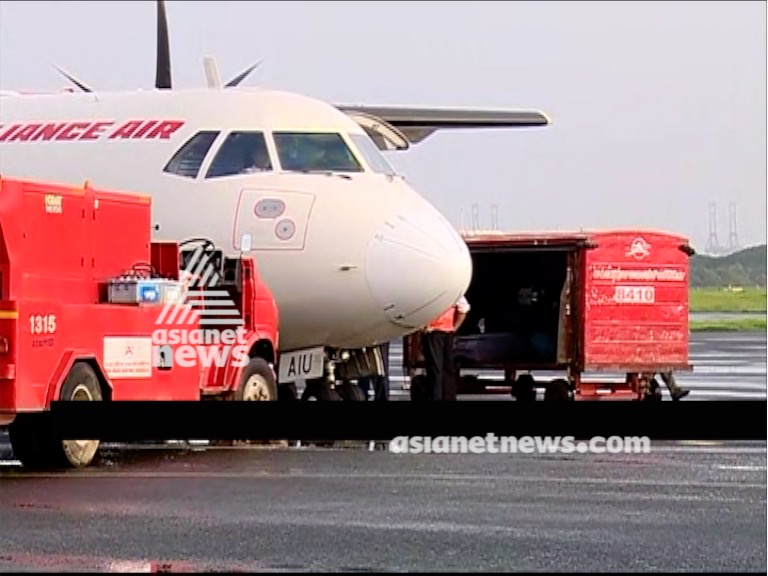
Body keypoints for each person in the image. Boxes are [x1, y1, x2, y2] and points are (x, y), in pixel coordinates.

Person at [421, 295, 470, 401]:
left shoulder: (433, 293)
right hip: (448, 332)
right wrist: (454, 328)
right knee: (448, 368)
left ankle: (436, 396)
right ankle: (449, 396)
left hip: (434, 332)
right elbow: (464, 310)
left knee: (435, 369)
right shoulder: (454, 292)